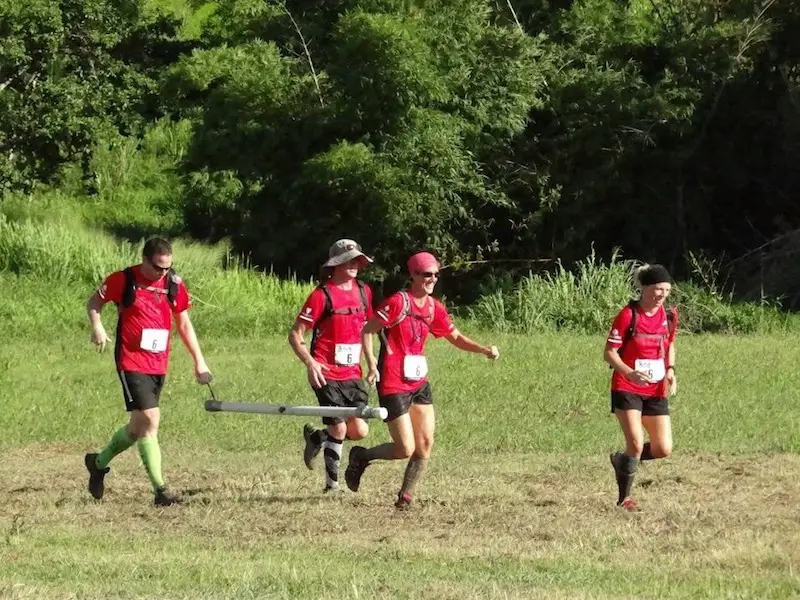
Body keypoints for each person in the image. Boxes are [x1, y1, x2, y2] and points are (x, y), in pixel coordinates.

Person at [344, 250, 499, 509]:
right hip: (393, 382)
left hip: (418, 382)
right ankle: (362, 456)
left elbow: (456, 338)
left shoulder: (434, 307)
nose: (432, 279)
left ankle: (405, 498)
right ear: (413, 275)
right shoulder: (397, 303)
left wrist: (483, 349)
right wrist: (371, 364)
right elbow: (367, 330)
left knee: (425, 444)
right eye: (426, 274)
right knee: (405, 448)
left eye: (436, 275)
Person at [84, 237, 212, 506]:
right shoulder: (123, 279)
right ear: (145, 260)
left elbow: (185, 325)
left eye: (168, 268)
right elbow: (94, 302)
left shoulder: (173, 285)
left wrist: (199, 362)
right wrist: (97, 327)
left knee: (136, 428)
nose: (163, 274)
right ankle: (161, 491)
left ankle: (98, 463)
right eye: (158, 268)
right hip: (130, 362)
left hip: (158, 364)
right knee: (151, 421)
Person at [289, 239, 377, 492]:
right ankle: (332, 486)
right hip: (326, 373)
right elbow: (296, 334)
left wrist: (371, 362)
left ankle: (317, 438)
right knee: (338, 426)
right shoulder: (321, 295)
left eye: (357, 260)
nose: (354, 264)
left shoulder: (364, 292)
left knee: (359, 431)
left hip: (353, 373)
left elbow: (367, 330)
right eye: (349, 260)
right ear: (336, 264)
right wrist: (311, 362)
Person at [605, 263, 678, 510]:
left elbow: (669, 346)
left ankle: (623, 461)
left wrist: (670, 370)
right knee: (635, 443)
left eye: (666, 290)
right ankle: (624, 498)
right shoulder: (628, 314)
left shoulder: (668, 316)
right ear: (644, 288)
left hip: (656, 388)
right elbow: (609, 353)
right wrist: (630, 373)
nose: (662, 295)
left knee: (663, 448)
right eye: (657, 289)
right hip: (627, 385)